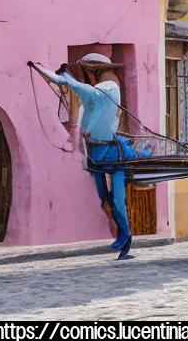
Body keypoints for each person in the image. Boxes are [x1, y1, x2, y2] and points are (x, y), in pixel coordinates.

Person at [31, 54, 136, 260]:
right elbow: (62, 82)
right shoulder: (92, 93)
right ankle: (122, 238)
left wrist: (67, 78)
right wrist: (39, 68)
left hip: (114, 153)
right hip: (96, 154)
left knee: (116, 199)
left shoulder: (106, 90)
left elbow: (69, 83)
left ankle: (126, 238)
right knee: (104, 198)